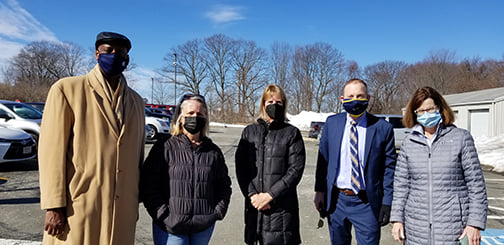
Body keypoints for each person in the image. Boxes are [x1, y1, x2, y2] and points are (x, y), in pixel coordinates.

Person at [38, 31, 145, 244]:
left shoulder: (136, 102)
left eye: (120, 52)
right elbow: (51, 153)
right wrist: (54, 205)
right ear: (97, 54)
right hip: (78, 205)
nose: (115, 55)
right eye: (108, 50)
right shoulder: (67, 90)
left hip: (122, 208)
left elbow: (137, 156)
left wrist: (134, 201)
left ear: (127, 59)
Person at [390, 86, 488, 245]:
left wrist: (474, 223)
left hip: (453, 228)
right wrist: (397, 220)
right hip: (415, 228)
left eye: (430, 109)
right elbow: (401, 185)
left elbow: (476, 185)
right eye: (420, 111)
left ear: (440, 108)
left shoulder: (461, 138)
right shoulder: (409, 143)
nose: (426, 114)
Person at [140, 93, 232, 245]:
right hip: (170, 228)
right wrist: (163, 215)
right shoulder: (165, 146)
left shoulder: (213, 151)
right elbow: (149, 185)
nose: (195, 117)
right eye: (190, 113)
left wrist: (217, 212)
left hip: (203, 227)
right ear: (180, 118)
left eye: (199, 114)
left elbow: (223, 185)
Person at [314, 78, 396, 245]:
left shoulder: (382, 128)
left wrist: (387, 202)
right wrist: (320, 191)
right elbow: (323, 161)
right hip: (337, 200)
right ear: (342, 100)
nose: (355, 100)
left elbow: (389, 169)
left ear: (368, 98)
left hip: (366, 202)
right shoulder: (332, 123)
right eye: (350, 96)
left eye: (360, 96)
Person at [235, 84, 306, 245]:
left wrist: (270, 196)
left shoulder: (291, 133)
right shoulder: (249, 132)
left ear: (284, 105)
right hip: (254, 210)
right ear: (263, 104)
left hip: (281, 211)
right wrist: (253, 195)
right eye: (270, 102)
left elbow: (295, 170)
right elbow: (241, 167)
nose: (274, 106)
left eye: (279, 103)